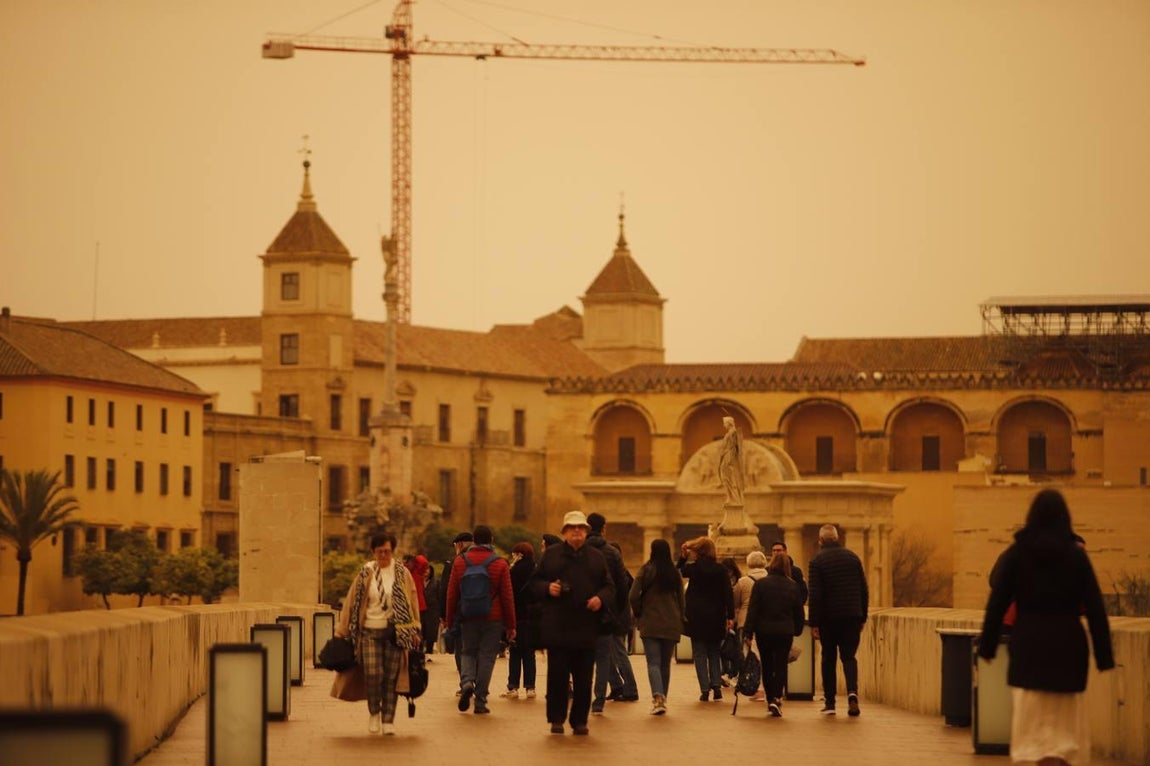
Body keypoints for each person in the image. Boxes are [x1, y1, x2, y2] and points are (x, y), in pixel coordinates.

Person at [978, 489, 1113, 766]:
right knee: (1064, 732)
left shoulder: (1018, 554)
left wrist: (988, 645)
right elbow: (1096, 608)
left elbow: (998, 600)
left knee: (1033, 730)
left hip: (1029, 649)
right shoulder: (1077, 557)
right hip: (1068, 651)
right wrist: (1104, 655)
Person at [531, 510, 615, 736]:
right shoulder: (551, 556)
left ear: (586, 532)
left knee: (584, 678)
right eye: (572, 528)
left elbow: (609, 587)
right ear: (565, 532)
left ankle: (580, 721)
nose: (576, 531)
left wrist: (600, 598)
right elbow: (535, 584)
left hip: (586, 627)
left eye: (580, 528)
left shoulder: (596, 558)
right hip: (558, 626)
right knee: (557, 677)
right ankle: (556, 718)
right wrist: (548, 588)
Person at [335, 532, 422, 736]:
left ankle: (388, 719)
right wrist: (342, 630)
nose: (384, 555)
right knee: (374, 675)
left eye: (388, 551)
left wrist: (415, 628)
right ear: (373, 551)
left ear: (393, 551)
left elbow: (412, 601)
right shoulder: (365, 573)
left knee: (391, 678)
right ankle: (374, 713)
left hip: (396, 633)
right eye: (380, 551)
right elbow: (350, 602)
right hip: (369, 632)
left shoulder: (402, 573)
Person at [445, 525, 516, 715]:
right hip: (493, 617)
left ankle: (467, 681)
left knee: (468, 652)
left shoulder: (460, 562)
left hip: (468, 615)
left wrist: (449, 618)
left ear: (474, 540)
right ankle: (481, 700)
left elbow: (452, 594)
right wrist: (511, 626)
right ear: (491, 540)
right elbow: (508, 597)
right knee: (487, 657)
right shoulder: (500, 563)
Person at [808, 523, 868, 717]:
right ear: (837, 538)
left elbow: (815, 595)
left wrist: (814, 622)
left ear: (820, 541)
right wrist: (862, 616)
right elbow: (863, 589)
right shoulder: (853, 557)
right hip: (852, 615)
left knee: (828, 658)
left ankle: (830, 702)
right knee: (849, 657)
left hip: (828, 618)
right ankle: (852, 692)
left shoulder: (817, 561)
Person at [586, 512, 639, 713]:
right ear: (603, 528)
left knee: (591, 656)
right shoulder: (612, 552)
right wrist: (616, 608)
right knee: (607, 654)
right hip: (610, 612)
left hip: (586, 610)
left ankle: (623, 688)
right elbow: (623, 585)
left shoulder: (580, 551)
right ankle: (608, 694)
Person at [628, 538, 685, 715]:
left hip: (650, 621)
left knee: (653, 662)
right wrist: (680, 618)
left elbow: (633, 595)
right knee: (665, 664)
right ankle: (663, 699)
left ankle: (658, 697)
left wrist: (638, 612)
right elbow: (681, 600)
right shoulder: (674, 572)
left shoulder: (646, 569)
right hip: (671, 622)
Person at [744, 552, 805, 717]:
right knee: (780, 665)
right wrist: (798, 629)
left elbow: (753, 610)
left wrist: (748, 632)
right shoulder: (793, 586)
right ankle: (777, 697)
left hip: (764, 631)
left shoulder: (761, 584)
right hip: (784, 632)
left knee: (767, 665)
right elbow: (798, 612)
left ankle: (770, 698)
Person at [677, 536, 734, 701]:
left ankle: (704, 689)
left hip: (697, 616)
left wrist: (683, 556)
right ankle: (716, 686)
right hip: (716, 616)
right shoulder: (721, 569)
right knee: (714, 653)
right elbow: (727, 594)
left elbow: (678, 570)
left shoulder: (694, 568)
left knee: (700, 653)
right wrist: (730, 616)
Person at [501, 541, 539, 699]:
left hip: (516, 616)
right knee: (530, 653)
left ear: (520, 555)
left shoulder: (513, 571)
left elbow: (508, 594)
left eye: (514, 554)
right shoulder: (537, 570)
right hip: (532, 617)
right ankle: (530, 688)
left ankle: (513, 687)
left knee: (515, 652)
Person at [438, 531, 473, 689]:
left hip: (460, 612)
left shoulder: (453, 563)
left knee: (461, 648)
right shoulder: (486, 560)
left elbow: (446, 590)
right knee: (477, 649)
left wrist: (444, 615)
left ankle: (465, 681)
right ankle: (477, 682)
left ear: (458, 545)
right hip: (483, 611)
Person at [718, 415, 745, 506]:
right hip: (726, 455)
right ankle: (729, 496)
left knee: (727, 476)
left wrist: (726, 453)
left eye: (724, 423)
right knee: (725, 476)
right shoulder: (729, 433)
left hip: (729, 455)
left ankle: (732, 497)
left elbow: (734, 446)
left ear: (729, 423)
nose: (723, 425)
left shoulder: (733, 432)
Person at [770, 540, 808, 604]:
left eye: (779, 550)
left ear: (785, 552)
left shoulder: (796, 571)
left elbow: (802, 591)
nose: (776, 552)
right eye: (774, 550)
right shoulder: (768, 570)